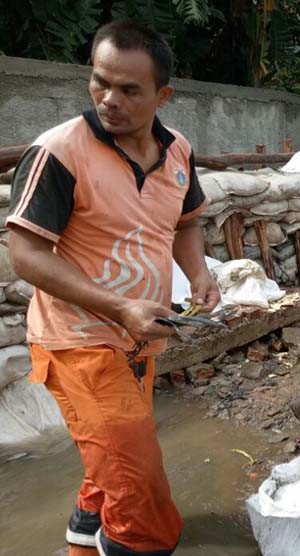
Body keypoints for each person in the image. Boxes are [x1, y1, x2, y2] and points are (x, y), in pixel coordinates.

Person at [7, 21, 220, 556]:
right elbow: (25, 256)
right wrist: (120, 306)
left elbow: (187, 222)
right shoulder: (59, 151)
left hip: (138, 342)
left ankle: (84, 541)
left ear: (162, 95)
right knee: (143, 496)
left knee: (115, 464)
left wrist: (199, 274)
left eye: (129, 90)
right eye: (100, 82)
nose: (109, 99)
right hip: (77, 342)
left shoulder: (177, 152)